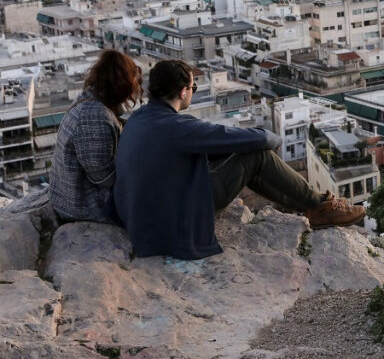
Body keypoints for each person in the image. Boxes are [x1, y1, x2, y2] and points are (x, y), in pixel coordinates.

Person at [113, 59, 364, 260]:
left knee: (241, 156)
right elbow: (262, 140)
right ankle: (319, 205)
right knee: (255, 155)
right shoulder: (177, 127)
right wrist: (275, 139)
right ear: (183, 92)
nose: (193, 93)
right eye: (194, 88)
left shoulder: (139, 120)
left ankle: (311, 207)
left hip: (143, 224)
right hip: (176, 225)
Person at [49, 50, 143, 223]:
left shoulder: (90, 100)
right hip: (84, 205)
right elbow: (103, 177)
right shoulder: (94, 115)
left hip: (70, 198)